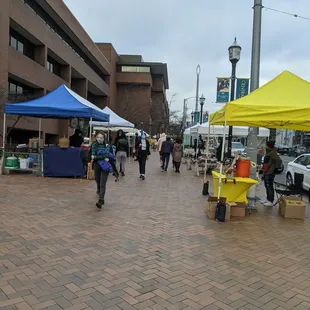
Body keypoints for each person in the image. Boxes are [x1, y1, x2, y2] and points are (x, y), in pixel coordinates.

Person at [90, 131, 115, 209]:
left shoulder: (107, 145)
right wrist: (101, 156)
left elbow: (108, 154)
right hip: (97, 165)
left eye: (101, 138)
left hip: (105, 165)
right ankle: (98, 190)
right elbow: (93, 154)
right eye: (98, 137)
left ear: (104, 138)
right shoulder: (94, 144)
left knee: (103, 183)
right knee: (97, 180)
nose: (99, 139)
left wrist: (97, 157)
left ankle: (101, 200)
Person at [262, 140, 282, 207]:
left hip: (270, 172)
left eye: (266, 144)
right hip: (267, 171)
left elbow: (279, 160)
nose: (265, 146)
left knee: (269, 186)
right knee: (266, 186)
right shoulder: (269, 151)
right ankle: (268, 199)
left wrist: (275, 169)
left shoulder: (272, 152)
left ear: (268, 145)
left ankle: (270, 201)